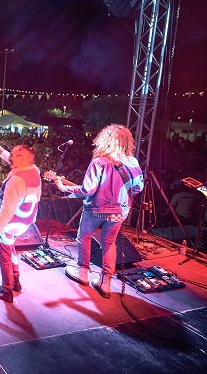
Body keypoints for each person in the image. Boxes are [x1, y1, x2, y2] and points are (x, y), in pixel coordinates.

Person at [53, 124, 144, 298]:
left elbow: (88, 190)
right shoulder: (133, 162)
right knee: (109, 243)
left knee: (84, 237)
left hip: (96, 209)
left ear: (105, 141)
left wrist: (64, 187)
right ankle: (106, 284)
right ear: (127, 142)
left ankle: (83, 274)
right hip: (119, 211)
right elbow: (137, 188)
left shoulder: (99, 162)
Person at [0, 141, 41, 303]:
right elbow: (13, 158)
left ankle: (6, 289)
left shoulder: (16, 180)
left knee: (5, 254)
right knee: (11, 249)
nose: (10, 159)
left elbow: (6, 213)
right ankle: (16, 281)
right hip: (25, 222)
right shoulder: (34, 170)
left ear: (22, 158)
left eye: (14, 156)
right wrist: (0, 149)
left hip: (10, 224)